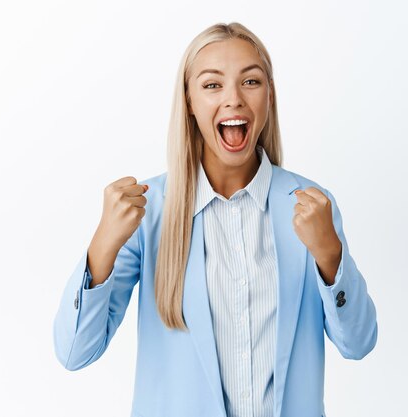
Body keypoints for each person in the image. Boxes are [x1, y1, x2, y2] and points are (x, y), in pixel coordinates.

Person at [53, 21, 378, 417]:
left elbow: (359, 342)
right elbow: (74, 352)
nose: (234, 99)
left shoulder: (311, 207)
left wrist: (330, 254)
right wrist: (103, 243)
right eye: (212, 85)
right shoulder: (149, 211)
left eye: (251, 82)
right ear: (189, 100)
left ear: (270, 96)